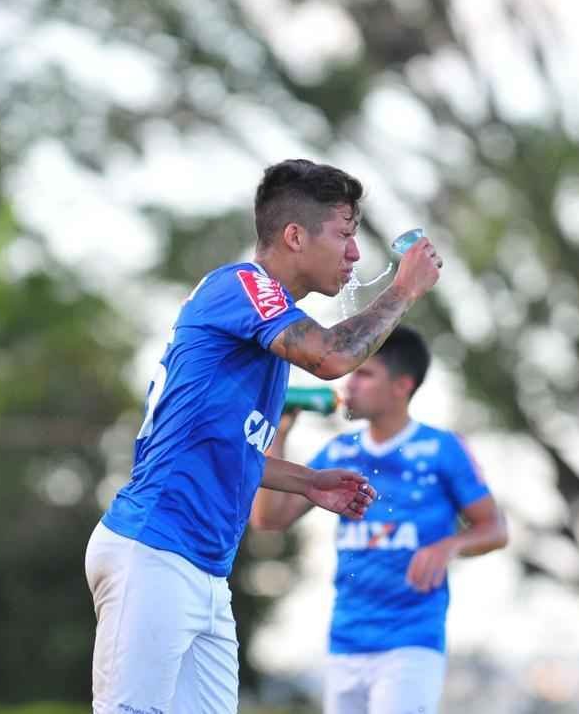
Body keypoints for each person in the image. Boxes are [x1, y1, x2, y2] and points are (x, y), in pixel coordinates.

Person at [84, 159, 444, 714]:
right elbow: (331, 358)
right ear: (295, 236)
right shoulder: (244, 286)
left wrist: (307, 482)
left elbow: (230, 447)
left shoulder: (262, 328)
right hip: (152, 549)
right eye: (345, 235)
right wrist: (403, 289)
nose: (354, 253)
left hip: (204, 570)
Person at [250, 325, 509, 714]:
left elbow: (496, 529)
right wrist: (281, 433)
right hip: (345, 642)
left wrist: (449, 545)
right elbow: (267, 520)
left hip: (411, 643)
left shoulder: (442, 449)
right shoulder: (339, 451)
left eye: (365, 374)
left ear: (402, 386)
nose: (350, 385)